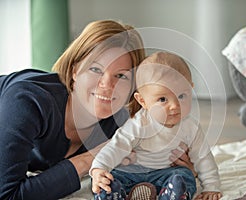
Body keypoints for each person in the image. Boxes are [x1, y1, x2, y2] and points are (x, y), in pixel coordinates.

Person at [0, 19, 147, 200]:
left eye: (121, 76)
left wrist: (187, 165)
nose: (108, 85)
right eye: (95, 69)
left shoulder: (121, 124)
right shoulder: (27, 101)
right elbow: (7, 195)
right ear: (75, 70)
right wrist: (90, 158)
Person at [90, 51, 222, 200]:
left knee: (184, 176)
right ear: (143, 101)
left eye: (182, 96)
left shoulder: (191, 127)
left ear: (191, 89)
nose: (174, 106)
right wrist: (99, 168)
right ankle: (114, 194)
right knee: (109, 178)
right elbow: (116, 146)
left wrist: (211, 187)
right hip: (132, 174)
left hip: (165, 176)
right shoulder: (139, 124)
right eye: (162, 99)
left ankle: (172, 194)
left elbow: (203, 158)